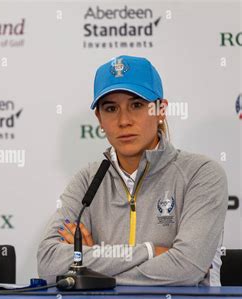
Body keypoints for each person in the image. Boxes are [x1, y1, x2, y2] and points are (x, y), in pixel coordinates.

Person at [37, 55, 228, 286]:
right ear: (99, 118)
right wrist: (149, 251)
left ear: (161, 110)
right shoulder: (88, 179)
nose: (124, 120)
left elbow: (186, 269)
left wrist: (88, 267)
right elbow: (48, 263)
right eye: (111, 108)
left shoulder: (201, 174)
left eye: (136, 105)